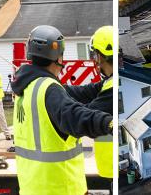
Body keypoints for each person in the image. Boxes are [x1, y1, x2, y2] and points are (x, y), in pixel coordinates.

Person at [11, 26, 112, 195]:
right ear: (58, 58)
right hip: (59, 186)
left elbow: (75, 93)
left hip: (32, 186)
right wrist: (107, 122)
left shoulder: (27, 87)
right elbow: (74, 116)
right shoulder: (49, 90)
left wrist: (105, 84)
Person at [61, 26, 115, 180]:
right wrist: (53, 88)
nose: (94, 59)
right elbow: (84, 92)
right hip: (112, 167)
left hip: (116, 170)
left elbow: (85, 113)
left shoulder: (113, 89)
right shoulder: (109, 82)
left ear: (101, 56)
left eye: (94, 54)